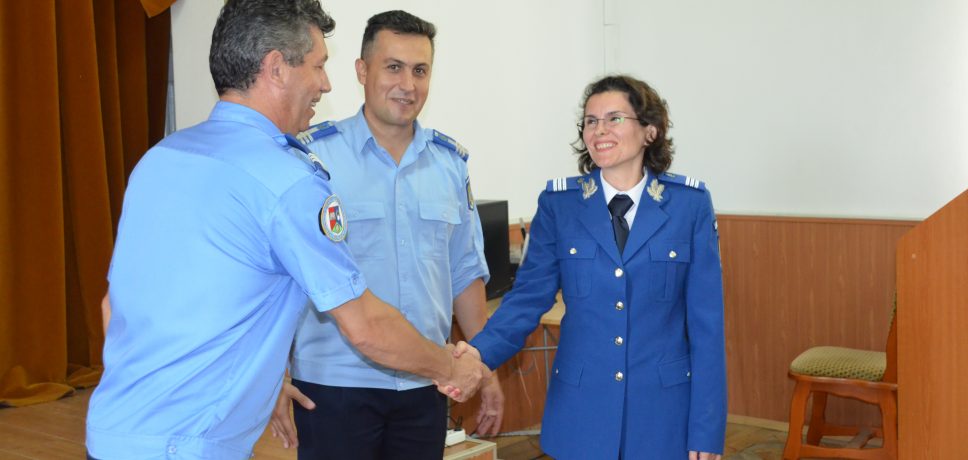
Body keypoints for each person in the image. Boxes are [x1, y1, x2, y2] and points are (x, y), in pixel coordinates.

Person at [84, 1, 488, 458]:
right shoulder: (288, 180)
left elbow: (113, 306)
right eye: (318, 66)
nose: (325, 84)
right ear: (277, 68)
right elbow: (366, 326)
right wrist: (451, 368)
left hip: (113, 434)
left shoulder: (160, 159)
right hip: (189, 445)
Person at [268, 10, 504, 459]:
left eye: (420, 70)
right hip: (334, 384)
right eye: (393, 67)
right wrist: (274, 376)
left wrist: (484, 365)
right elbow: (282, 278)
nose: (407, 85)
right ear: (362, 70)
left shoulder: (449, 164)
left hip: (426, 381)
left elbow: (464, 274)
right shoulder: (313, 160)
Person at [459, 75, 727, 459]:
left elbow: (707, 326)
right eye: (590, 121)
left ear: (649, 131)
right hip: (581, 411)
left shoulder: (688, 205)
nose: (599, 130)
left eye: (614, 118)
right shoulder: (560, 204)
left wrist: (707, 429)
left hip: (662, 414)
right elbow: (527, 299)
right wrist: (477, 354)